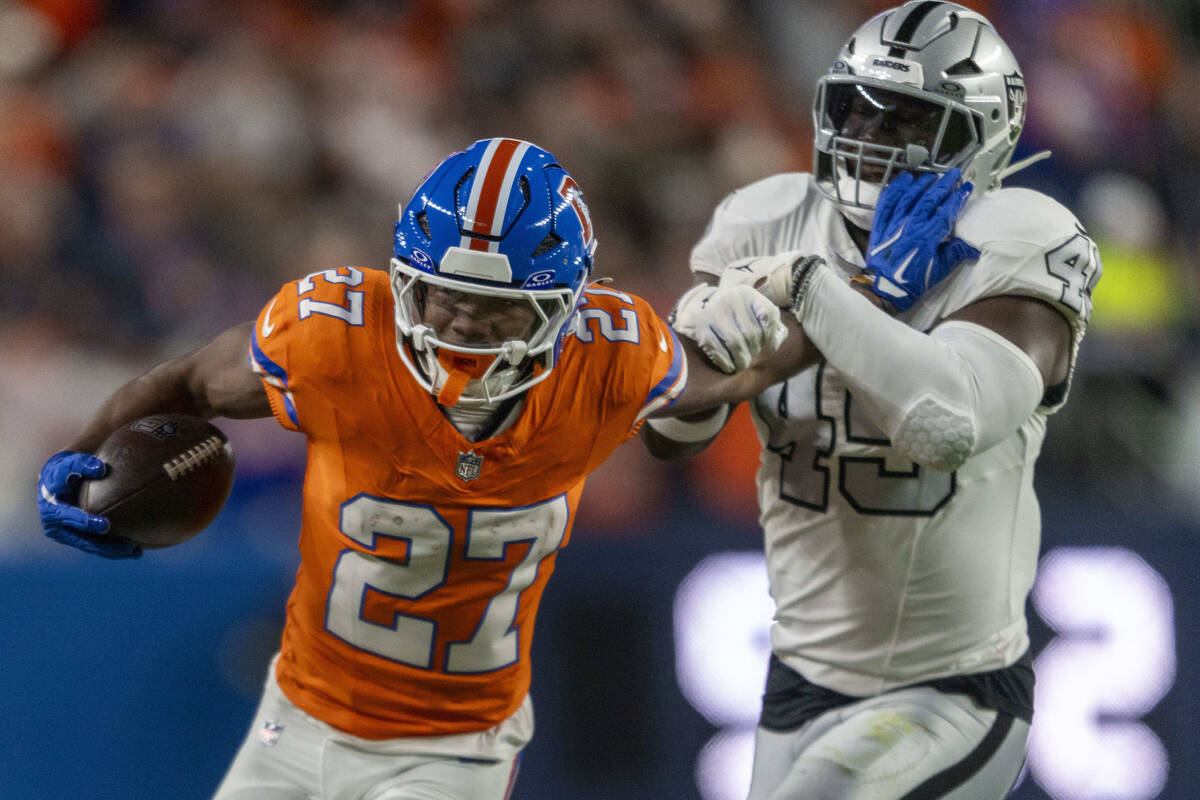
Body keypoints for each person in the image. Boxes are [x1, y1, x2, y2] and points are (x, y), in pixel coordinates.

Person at [35, 137, 821, 800]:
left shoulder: (613, 357)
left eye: (501, 309)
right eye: (444, 299)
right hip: (301, 711)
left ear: (568, 303)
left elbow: (745, 368)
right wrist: (83, 456)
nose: (466, 327)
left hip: (454, 746)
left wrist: (808, 301)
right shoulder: (334, 334)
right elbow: (188, 383)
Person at [643, 3, 1101, 798]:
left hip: (950, 686)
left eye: (907, 119)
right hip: (798, 677)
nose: (867, 133)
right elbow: (673, 427)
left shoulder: (1018, 235)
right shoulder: (765, 218)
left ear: (979, 136)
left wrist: (817, 288)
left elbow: (943, 422)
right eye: (854, 106)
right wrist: (863, 293)